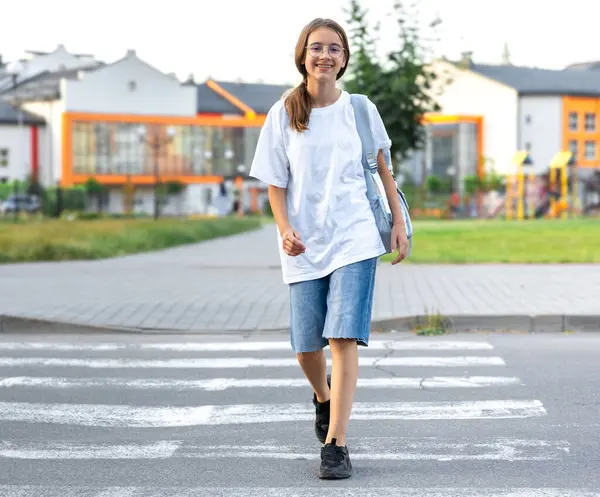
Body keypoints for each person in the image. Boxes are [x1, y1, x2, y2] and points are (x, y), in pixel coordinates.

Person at [249, 17, 409, 480]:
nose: (324, 55)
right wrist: (284, 228)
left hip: (355, 236)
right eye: (316, 47)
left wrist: (398, 223)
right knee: (306, 346)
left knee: (342, 336)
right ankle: (323, 397)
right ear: (303, 55)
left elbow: (383, 171)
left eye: (334, 49)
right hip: (303, 244)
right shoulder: (284, 112)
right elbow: (275, 184)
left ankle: (336, 444)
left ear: (343, 59)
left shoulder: (361, 109)